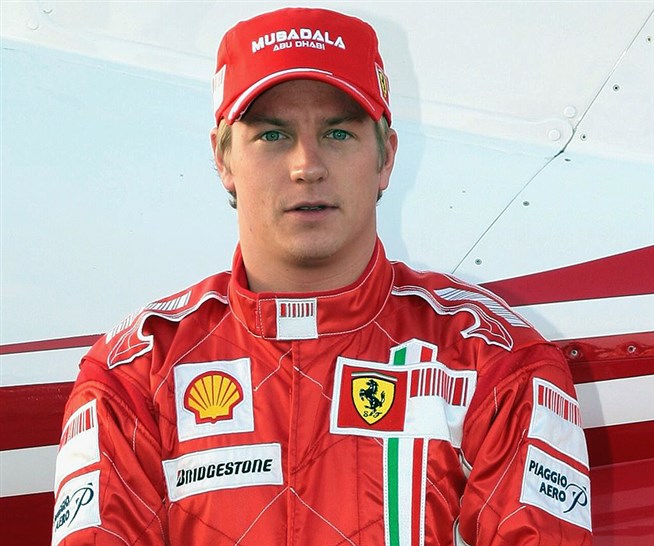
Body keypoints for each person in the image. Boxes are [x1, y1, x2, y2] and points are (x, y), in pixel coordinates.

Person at [52, 7, 592, 546]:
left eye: (338, 132)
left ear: (385, 157)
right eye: (272, 135)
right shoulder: (135, 371)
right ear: (223, 159)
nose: (306, 166)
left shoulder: (496, 361)